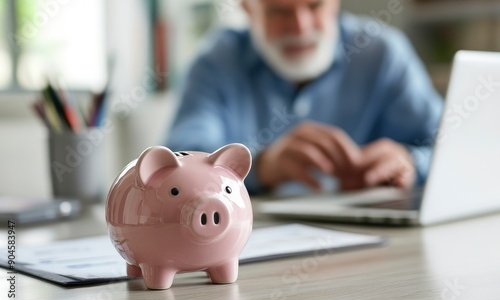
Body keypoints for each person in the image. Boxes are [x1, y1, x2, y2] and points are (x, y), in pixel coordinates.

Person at [165, 0, 443, 195]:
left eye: (314, 5)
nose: (300, 27)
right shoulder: (216, 63)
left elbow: (452, 145)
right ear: (248, 9)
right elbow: (180, 163)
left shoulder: (383, 54)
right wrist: (260, 165)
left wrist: (410, 161)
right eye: (278, 11)